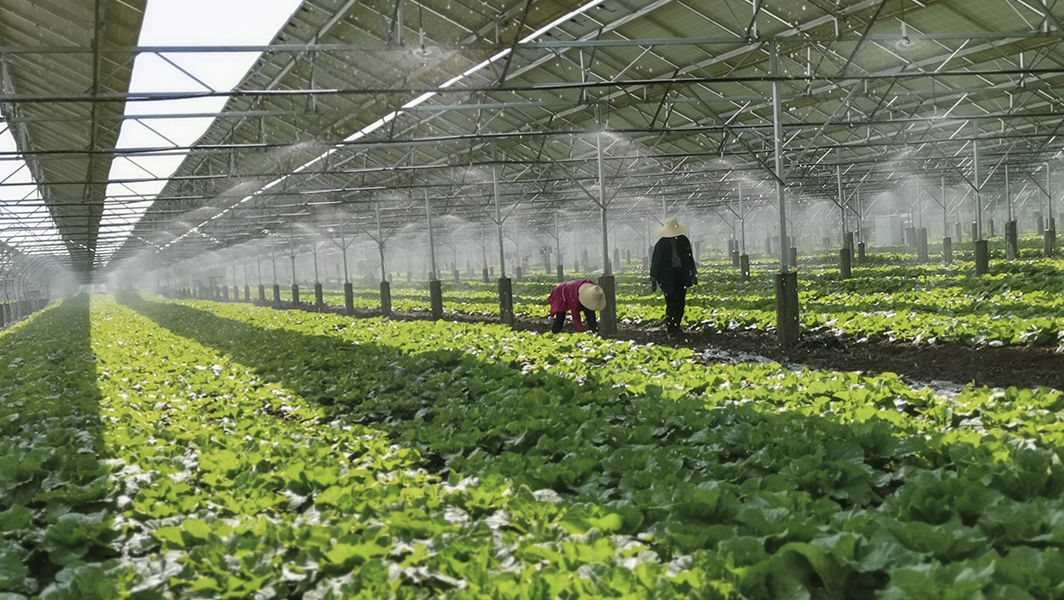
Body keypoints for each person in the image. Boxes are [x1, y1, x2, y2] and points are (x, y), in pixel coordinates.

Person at [650, 217, 698, 334]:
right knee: (671, 302)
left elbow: (689, 258)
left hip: (681, 275)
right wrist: (653, 280)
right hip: (667, 277)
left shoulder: (683, 241)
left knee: (680, 301)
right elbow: (655, 262)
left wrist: (693, 274)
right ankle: (671, 328)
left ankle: (677, 324)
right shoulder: (661, 245)